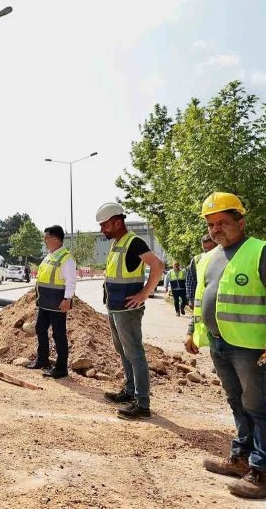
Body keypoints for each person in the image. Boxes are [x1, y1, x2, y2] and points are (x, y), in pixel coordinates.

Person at [184, 192, 266, 499]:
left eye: (223, 222)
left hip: (253, 348)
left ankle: (261, 471)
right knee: (238, 403)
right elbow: (200, 298)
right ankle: (241, 457)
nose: (216, 229)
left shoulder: (260, 251)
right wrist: (193, 330)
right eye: (211, 224)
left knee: (260, 408)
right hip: (219, 344)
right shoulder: (209, 257)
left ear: (241, 222)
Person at [96, 202, 164, 419]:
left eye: (105, 225)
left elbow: (158, 265)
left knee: (134, 353)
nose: (102, 230)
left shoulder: (134, 242)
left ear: (117, 222)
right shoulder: (118, 243)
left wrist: (144, 294)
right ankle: (130, 391)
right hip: (115, 308)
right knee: (124, 351)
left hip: (127, 310)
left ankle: (142, 404)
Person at [26, 225, 76, 378]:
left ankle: (61, 368)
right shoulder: (49, 256)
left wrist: (67, 299)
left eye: (46, 238)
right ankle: (42, 360)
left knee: (58, 334)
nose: (45, 241)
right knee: (40, 328)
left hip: (58, 303)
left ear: (55, 239)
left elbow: (71, 281)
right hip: (45, 302)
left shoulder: (66, 258)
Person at [186, 233, 218, 310]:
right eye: (205, 248)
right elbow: (191, 281)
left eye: (211, 247)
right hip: (202, 299)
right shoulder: (197, 259)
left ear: (217, 245)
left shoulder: (224, 257)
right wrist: (191, 299)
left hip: (218, 299)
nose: (208, 250)